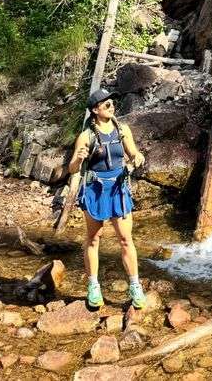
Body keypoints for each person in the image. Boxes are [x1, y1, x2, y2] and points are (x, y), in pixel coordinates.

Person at [68, 87, 147, 309]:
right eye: (106, 104)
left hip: (118, 189)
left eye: (112, 103)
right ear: (95, 110)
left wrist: (138, 157)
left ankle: (135, 285)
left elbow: (133, 153)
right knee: (93, 238)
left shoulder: (123, 130)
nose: (112, 106)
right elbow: (72, 168)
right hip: (95, 189)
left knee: (125, 239)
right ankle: (93, 285)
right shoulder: (86, 136)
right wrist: (79, 159)